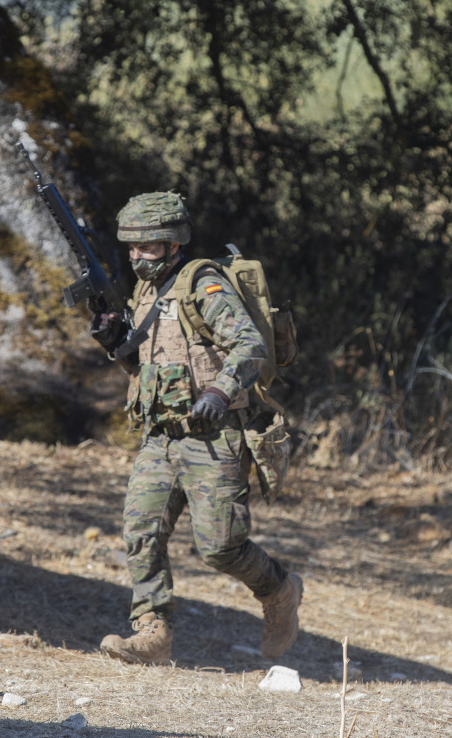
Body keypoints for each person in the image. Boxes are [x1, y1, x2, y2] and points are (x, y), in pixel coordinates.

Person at [88, 191, 302, 665]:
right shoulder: (143, 292)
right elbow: (148, 368)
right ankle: (152, 632)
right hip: (161, 435)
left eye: (147, 247)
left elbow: (250, 347)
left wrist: (220, 392)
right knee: (141, 531)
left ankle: (279, 590)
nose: (137, 257)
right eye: (132, 248)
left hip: (216, 434)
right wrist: (115, 345)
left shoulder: (203, 285)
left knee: (221, 547)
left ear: (172, 243)